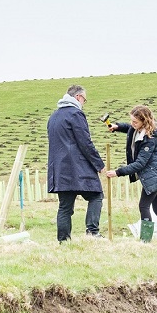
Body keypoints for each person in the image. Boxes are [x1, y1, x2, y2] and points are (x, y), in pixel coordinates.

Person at [106, 105, 157, 243]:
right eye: (131, 121)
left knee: (143, 206)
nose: (132, 124)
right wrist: (118, 127)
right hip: (156, 173)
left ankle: (145, 242)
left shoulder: (149, 139)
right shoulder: (138, 128)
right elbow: (130, 128)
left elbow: (139, 164)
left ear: (144, 122)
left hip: (155, 175)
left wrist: (117, 172)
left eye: (135, 122)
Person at [47, 85, 106, 242]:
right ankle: (92, 232)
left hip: (60, 170)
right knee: (96, 195)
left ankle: (63, 241)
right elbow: (85, 142)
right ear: (78, 97)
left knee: (65, 207)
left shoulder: (53, 117)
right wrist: (99, 165)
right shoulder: (76, 114)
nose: (84, 103)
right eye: (84, 100)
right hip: (79, 168)